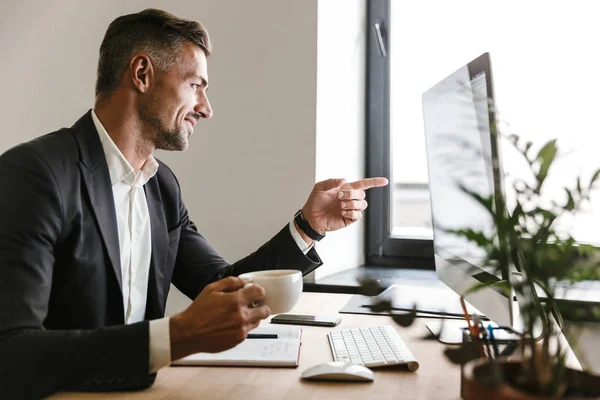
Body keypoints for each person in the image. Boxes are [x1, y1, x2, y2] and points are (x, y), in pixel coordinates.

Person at [0, 8, 388, 399]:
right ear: (141, 74)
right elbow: (12, 353)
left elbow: (225, 288)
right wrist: (178, 335)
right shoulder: (35, 175)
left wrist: (309, 226)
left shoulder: (161, 186)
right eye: (195, 85)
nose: (206, 107)